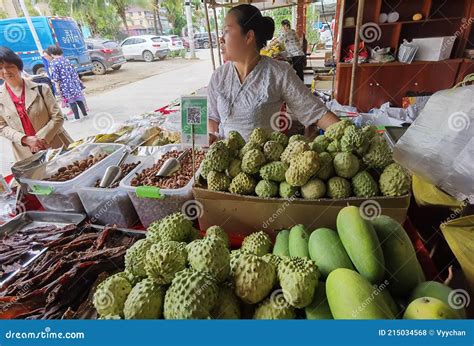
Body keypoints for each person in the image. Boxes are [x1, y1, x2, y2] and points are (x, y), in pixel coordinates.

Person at [208, 4, 339, 143]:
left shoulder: (278, 73)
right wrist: (211, 135)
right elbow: (213, 117)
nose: (220, 39)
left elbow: (316, 113)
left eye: (226, 31)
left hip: (263, 160)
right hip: (226, 160)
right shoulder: (218, 76)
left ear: (248, 36)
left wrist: (349, 135)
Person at [0, 47, 72, 161]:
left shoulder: (41, 89)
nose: (5, 71)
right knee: (39, 177)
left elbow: (57, 117)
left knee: (68, 172)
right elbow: (1, 126)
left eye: (9, 66)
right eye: (0, 68)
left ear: (18, 67)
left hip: (54, 143)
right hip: (25, 152)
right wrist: (25, 139)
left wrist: (40, 139)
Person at [47, 45, 88, 122]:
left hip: (65, 85)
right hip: (73, 83)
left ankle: (77, 117)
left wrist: (57, 88)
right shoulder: (66, 60)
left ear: (51, 54)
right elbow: (74, 72)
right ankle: (85, 114)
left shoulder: (53, 63)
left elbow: (56, 77)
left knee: (71, 100)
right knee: (78, 98)